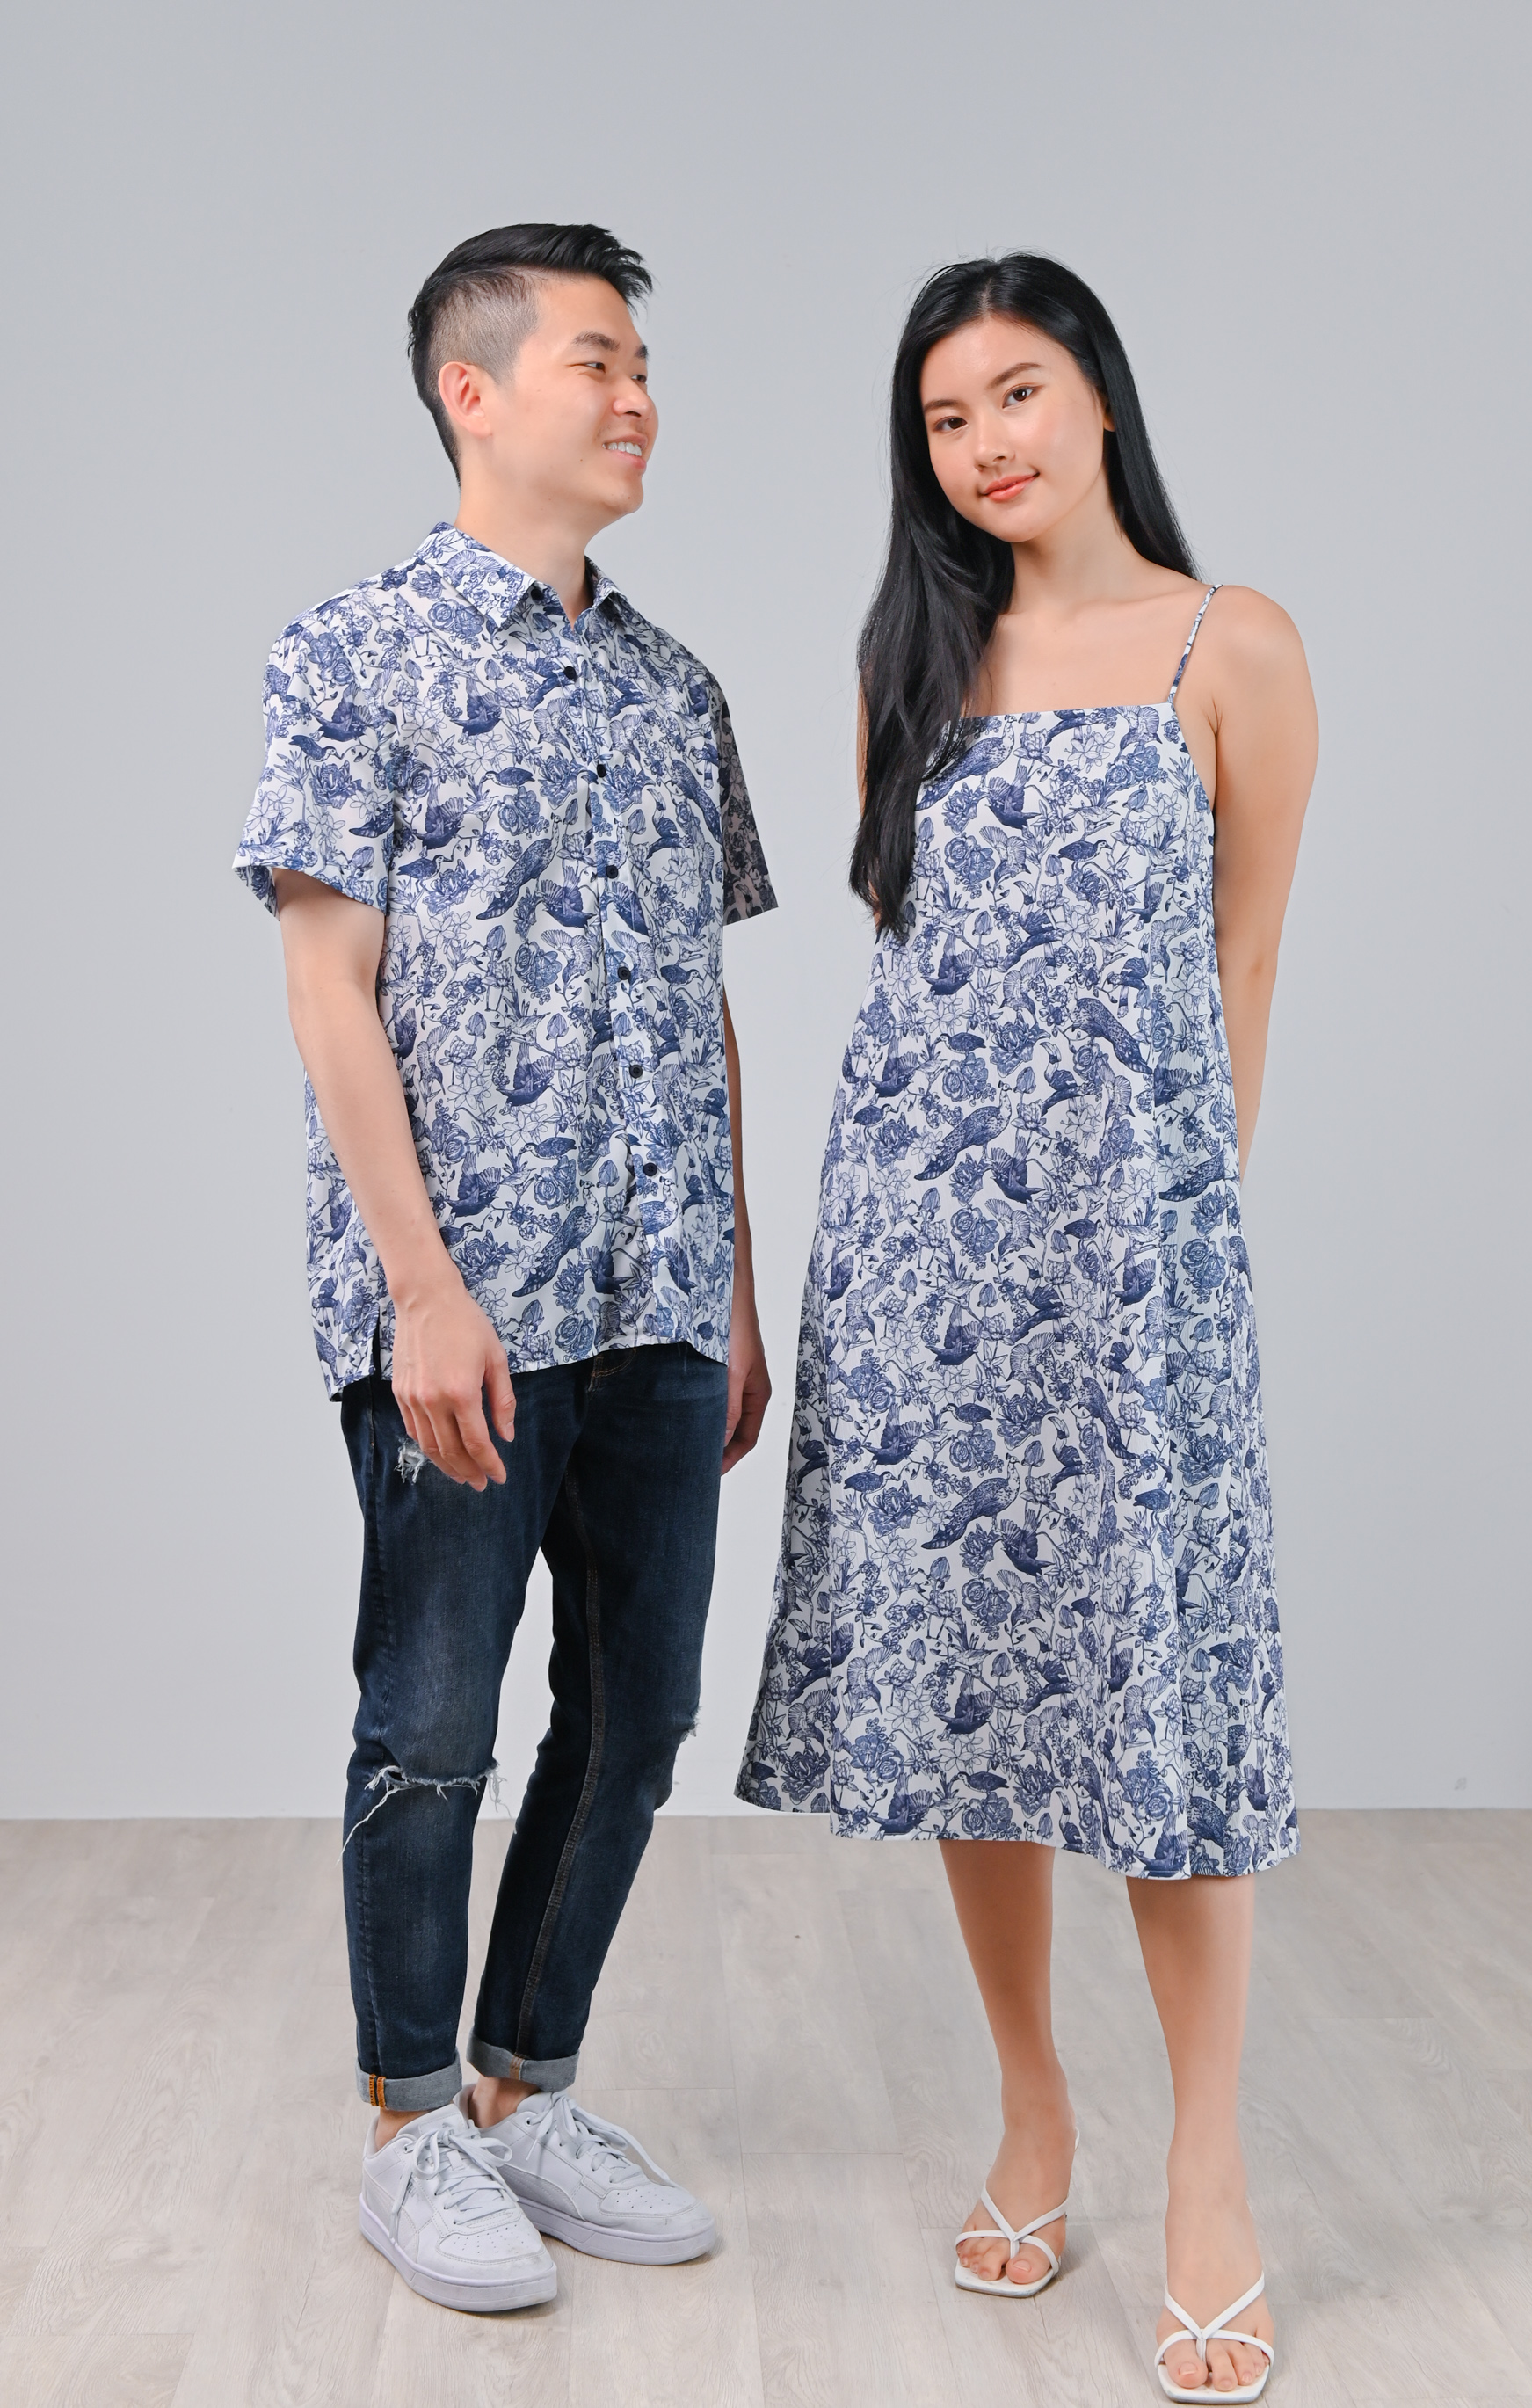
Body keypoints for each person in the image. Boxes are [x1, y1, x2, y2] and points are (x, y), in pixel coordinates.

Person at [739, 253, 1315, 2401]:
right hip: (922, 1251)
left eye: (1017, 393)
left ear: (1099, 399)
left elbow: (1241, 967)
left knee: (1166, 1708)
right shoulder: (909, 660)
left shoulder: (1230, 644)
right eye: (945, 417)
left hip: (1138, 1261)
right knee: (980, 1688)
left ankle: (1210, 2171)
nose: (985, 443)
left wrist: (1184, 1236)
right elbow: (917, 979)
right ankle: (1033, 2107)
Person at [236, 222, 776, 2315]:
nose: (638, 398)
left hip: (658, 1294)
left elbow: (702, 1008)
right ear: (472, 391)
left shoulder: (677, 689)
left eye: (645, 367)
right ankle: (406, 2124)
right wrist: (424, 1288)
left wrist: (734, 1288)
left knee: (637, 1715)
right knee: (434, 1718)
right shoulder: (348, 653)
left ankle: (523, 2087)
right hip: (462, 1298)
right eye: (596, 360)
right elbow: (330, 990)